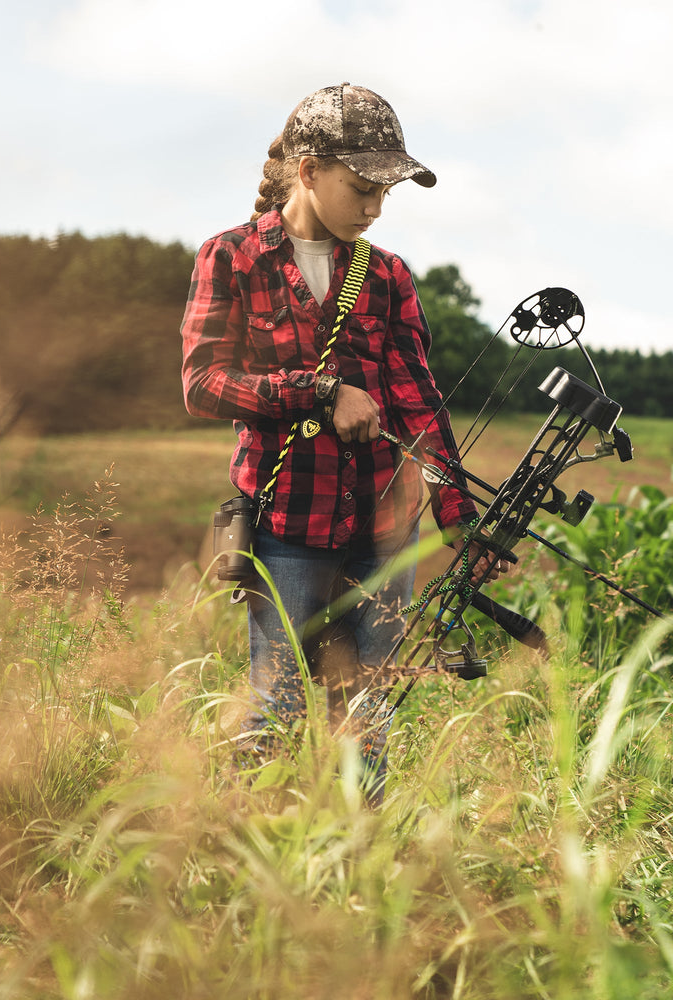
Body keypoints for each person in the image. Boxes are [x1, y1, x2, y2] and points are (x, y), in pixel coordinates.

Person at [180, 83, 497, 796]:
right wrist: (318, 393)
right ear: (309, 170)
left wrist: (460, 520)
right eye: (362, 188)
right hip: (287, 527)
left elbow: (418, 401)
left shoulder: (386, 276)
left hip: (383, 531)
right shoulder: (230, 258)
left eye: (386, 192)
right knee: (276, 707)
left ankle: (362, 868)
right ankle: (249, 857)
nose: (376, 207)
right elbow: (203, 383)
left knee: (366, 713)